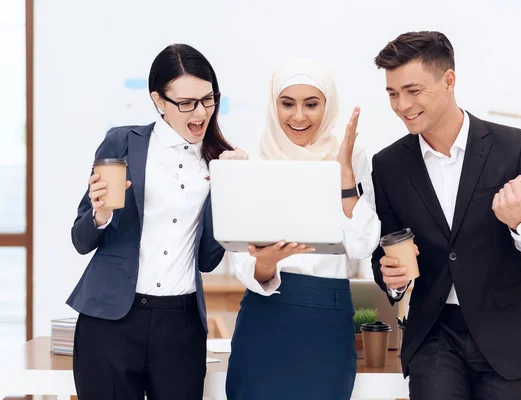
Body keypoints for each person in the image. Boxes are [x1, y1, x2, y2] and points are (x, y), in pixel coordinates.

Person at [370, 31, 521, 400]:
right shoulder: (388, 165)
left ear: (449, 80)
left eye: (413, 91)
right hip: (434, 333)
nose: (402, 105)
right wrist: (393, 278)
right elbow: (384, 250)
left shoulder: (516, 148)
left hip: (507, 334)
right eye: (392, 94)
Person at [67, 43, 232, 400]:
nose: (200, 112)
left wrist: (231, 190)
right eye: (186, 103)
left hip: (181, 324)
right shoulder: (122, 142)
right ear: (159, 101)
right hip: (110, 321)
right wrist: (101, 215)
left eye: (208, 99)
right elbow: (81, 240)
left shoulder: (221, 161)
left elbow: (207, 259)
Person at [222, 58, 381, 400]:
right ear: (273, 105)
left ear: (328, 105)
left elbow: (363, 245)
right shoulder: (253, 161)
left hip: (327, 318)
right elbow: (239, 255)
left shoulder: (352, 157)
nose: (298, 116)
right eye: (287, 104)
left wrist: (344, 175)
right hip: (265, 317)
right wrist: (266, 264)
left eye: (311, 104)